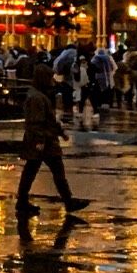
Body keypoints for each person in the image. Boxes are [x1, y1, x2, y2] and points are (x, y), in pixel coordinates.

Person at [16, 65, 90, 220]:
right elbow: (36, 122)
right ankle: (67, 201)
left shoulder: (39, 95)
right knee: (50, 172)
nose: (52, 81)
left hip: (43, 140)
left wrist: (61, 133)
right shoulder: (37, 97)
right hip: (44, 142)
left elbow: (46, 120)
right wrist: (41, 141)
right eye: (49, 78)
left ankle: (23, 201)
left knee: (33, 171)